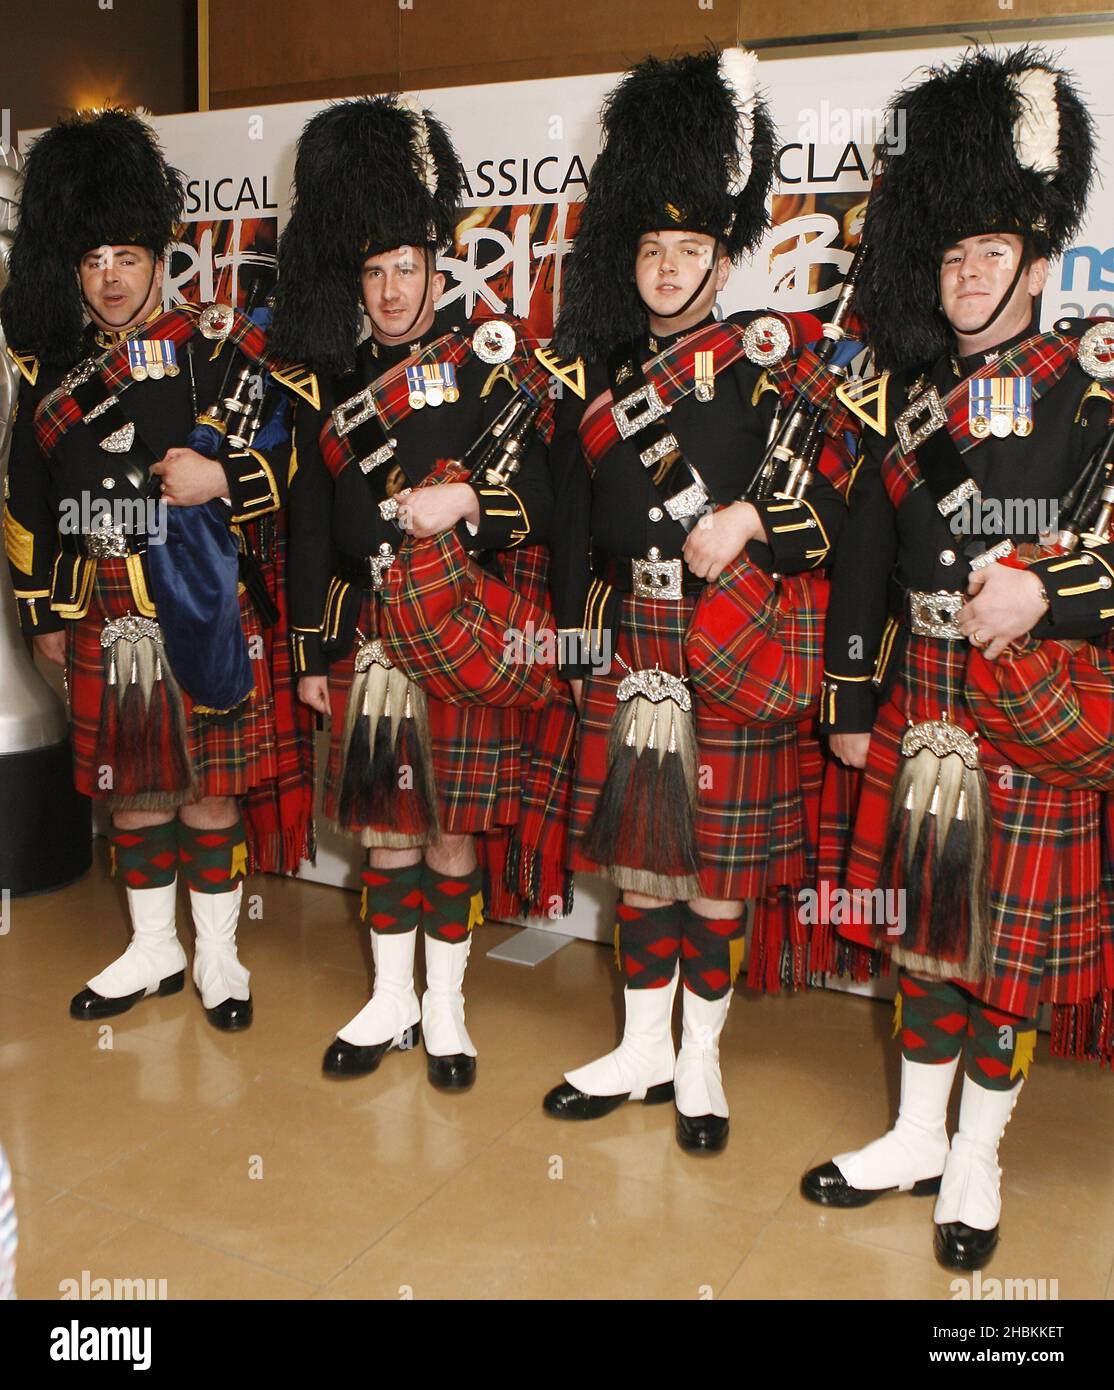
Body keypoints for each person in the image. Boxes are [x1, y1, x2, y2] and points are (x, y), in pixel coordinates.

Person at [802, 47, 1114, 1270]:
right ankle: (913, 1133)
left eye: (991, 252)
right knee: (924, 933)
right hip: (921, 697)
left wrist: (1050, 591)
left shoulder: (1095, 394)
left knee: (1006, 954)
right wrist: (847, 694)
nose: (967, 274)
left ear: (1039, 261)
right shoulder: (905, 395)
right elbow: (864, 559)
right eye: (949, 254)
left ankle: (977, 1154)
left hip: (1025, 710)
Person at [540, 49, 849, 1152]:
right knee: (642, 861)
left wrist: (756, 522)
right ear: (632, 259)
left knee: (715, 873)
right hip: (631, 632)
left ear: (723, 262)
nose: (668, 270)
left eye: (690, 252)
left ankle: (700, 1061)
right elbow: (573, 527)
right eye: (653, 250)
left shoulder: (777, 364)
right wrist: (580, 638)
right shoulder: (593, 372)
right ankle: (639, 1046)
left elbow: (839, 508)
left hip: (731, 637)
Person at [270, 95, 556, 1090]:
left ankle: (445, 1007)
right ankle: (390, 997)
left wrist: (475, 495)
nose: (391, 292)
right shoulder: (334, 377)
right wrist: (309, 652)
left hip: (461, 628)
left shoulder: (491, 364)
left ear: (438, 269)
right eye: (374, 273)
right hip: (365, 640)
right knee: (384, 833)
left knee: (446, 832)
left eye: (406, 270)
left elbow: (548, 497)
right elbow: (308, 524)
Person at [1, 110, 295, 1029]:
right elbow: (27, 500)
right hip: (102, 605)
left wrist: (222, 476)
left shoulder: (215, 346)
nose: (110, 277)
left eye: (126, 256)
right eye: (93, 260)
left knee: (209, 794)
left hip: (199, 601)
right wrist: (43, 608)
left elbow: (289, 457)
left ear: (158, 259)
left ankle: (217, 956)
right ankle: (150, 948)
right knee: (133, 794)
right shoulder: (52, 371)